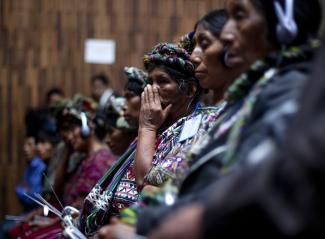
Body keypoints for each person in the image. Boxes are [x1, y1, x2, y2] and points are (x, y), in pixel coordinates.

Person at [136, 0, 322, 237]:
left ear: (283, 25)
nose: (226, 34)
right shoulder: (253, 97)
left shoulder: (291, 93)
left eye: (240, 15)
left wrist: (145, 226)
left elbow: (238, 194)